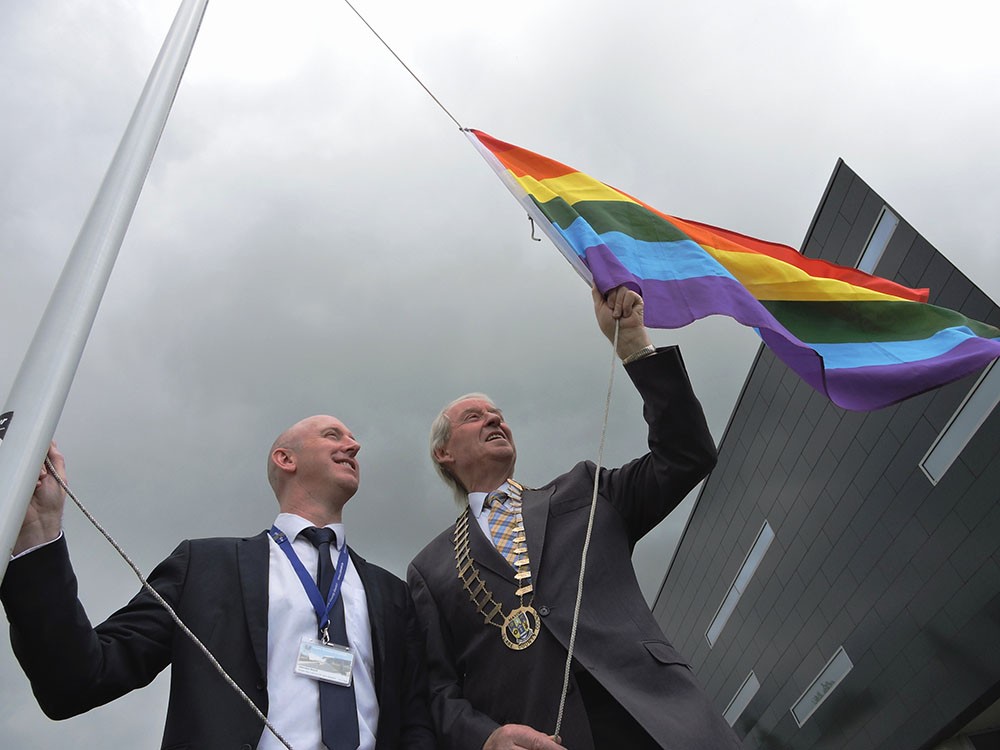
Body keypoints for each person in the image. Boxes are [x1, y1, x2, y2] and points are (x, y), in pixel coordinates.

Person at [407, 286, 741, 750]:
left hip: (654, 715)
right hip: (545, 737)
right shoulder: (429, 569)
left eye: (499, 415)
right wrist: (486, 738)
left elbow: (687, 455)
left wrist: (632, 345)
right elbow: (439, 691)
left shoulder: (583, 488)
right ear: (444, 452)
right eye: (474, 416)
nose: (494, 420)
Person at [1, 415, 435, 750]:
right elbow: (79, 680)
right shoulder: (204, 566)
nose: (353, 445)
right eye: (332, 435)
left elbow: (416, 721)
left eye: (351, 440)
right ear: (285, 458)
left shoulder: (392, 593)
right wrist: (38, 537)